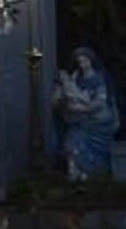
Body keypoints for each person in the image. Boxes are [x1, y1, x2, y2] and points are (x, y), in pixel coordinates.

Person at [49, 46, 120, 181]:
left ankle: (93, 177)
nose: (82, 65)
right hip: (79, 122)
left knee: (94, 153)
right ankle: (76, 175)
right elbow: (64, 97)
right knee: (72, 146)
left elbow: (100, 102)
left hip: (96, 122)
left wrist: (85, 108)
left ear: (91, 61)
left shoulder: (98, 78)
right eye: (79, 62)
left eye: (84, 61)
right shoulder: (75, 77)